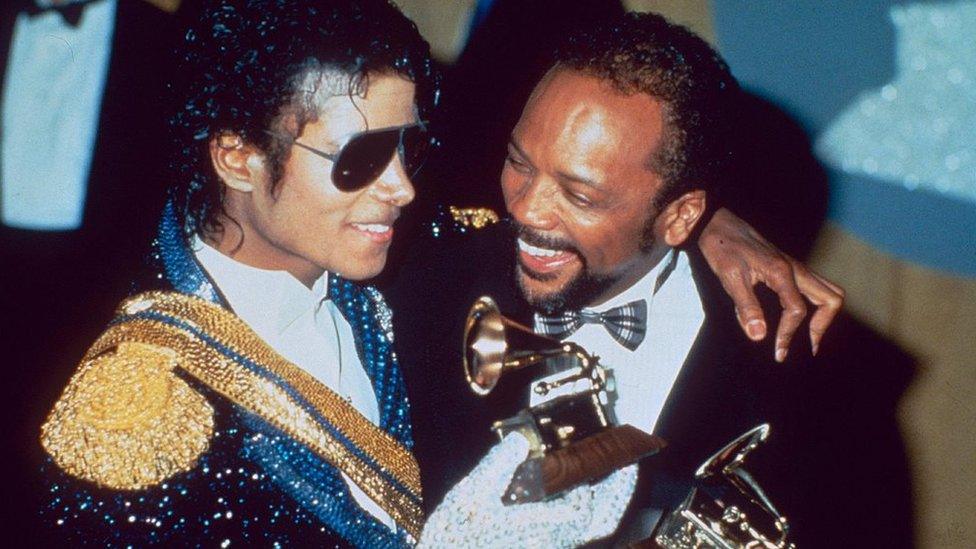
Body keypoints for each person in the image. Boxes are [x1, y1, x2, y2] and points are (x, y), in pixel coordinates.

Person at [37, 1, 838, 546]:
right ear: (238, 156)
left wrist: (704, 228)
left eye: (411, 149)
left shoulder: (401, 261)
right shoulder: (129, 422)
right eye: (359, 158)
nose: (406, 188)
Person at [388, 12, 843, 544]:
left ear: (680, 217)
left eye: (580, 196)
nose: (528, 209)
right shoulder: (419, 277)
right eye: (519, 163)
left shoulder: (786, 378)